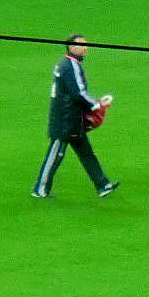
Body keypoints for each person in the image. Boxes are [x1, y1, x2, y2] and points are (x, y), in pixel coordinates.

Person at [32, 34, 120, 199]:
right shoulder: (71, 65)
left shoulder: (67, 64)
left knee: (87, 153)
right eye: (82, 45)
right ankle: (40, 190)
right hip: (65, 120)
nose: (86, 48)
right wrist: (97, 105)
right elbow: (78, 93)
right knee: (55, 155)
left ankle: (103, 185)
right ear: (71, 47)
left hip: (73, 120)